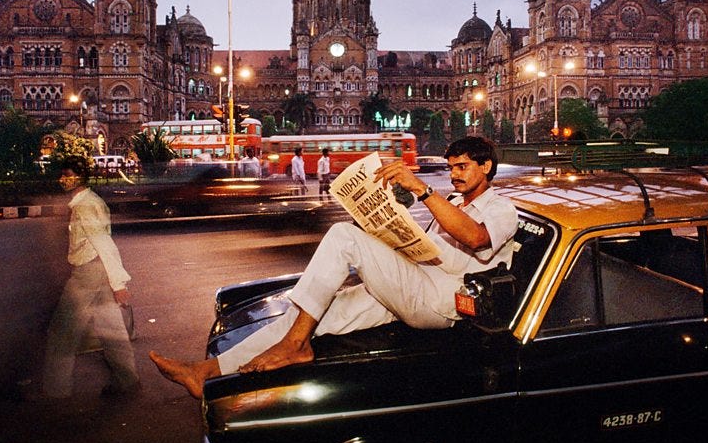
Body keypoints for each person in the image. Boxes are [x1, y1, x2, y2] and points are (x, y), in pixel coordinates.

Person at [149, 136, 517, 399]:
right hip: (415, 282)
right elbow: (429, 245)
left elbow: (476, 238)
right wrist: (387, 222)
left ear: (486, 167)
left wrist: (423, 191)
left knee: (342, 235)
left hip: (441, 301)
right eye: (451, 167)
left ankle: (295, 346)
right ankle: (205, 371)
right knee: (311, 312)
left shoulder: (502, 209)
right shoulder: (452, 199)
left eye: (463, 167)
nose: (454, 174)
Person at [41, 157, 141, 399]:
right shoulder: (88, 201)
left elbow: (104, 243)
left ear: (79, 177)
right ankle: (127, 381)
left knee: (62, 332)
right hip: (98, 270)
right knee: (111, 327)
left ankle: (55, 391)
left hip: (88, 272)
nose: (61, 179)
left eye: (67, 174)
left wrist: (118, 284)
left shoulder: (86, 205)